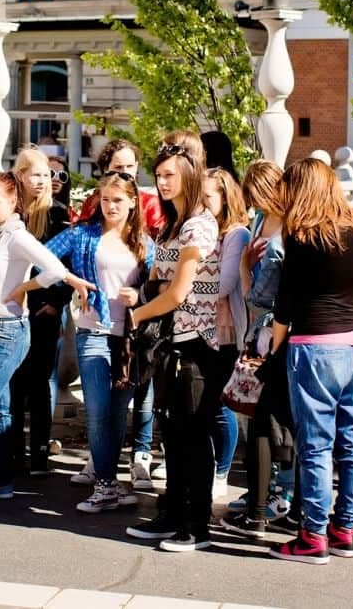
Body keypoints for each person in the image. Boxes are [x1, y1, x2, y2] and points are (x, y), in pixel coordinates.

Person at [0, 173, 91, 515]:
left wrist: (22, 290)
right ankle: (1, 480)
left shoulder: (17, 235)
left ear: (13, 202)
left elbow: (54, 269)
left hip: (7, 331)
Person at [265, 158, 353, 564]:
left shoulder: (302, 236)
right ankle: (344, 528)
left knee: (315, 445)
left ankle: (312, 535)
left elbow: (287, 302)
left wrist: (273, 346)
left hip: (314, 343)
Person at [124, 131, 226, 553]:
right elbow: (157, 281)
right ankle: (173, 514)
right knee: (173, 432)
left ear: (188, 173)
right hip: (170, 343)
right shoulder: (171, 226)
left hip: (197, 345)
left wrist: (138, 314)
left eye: (169, 174)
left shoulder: (200, 226)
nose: (162, 182)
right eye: (158, 175)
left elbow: (178, 292)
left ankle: (197, 526)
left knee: (193, 436)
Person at [36, 170, 154, 513]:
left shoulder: (146, 242)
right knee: (99, 411)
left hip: (130, 339)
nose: (110, 206)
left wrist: (141, 294)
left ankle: (111, 484)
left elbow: (162, 284)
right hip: (93, 331)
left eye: (118, 200)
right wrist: (74, 281)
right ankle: (105, 484)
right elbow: (43, 255)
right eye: (105, 200)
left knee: (118, 413)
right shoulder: (84, 234)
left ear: (133, 202)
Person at [221, 159, 297, 538]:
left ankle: (274, 493)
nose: (256, 202)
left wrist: (248, 268)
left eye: (258, 194)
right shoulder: (264, 222)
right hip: (263, 330)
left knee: (274, 421)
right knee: (262, 418)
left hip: (274, 329)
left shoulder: (284, 232)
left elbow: (257, 295)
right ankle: (265, 491)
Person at [8, 148, 71, 476]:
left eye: (46, 174)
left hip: (44, 311)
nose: (42, 180)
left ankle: (40, 453)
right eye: (35, 174)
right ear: (19, 175)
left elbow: (67, 265)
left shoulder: (59, 213)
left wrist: (56, 303)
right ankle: (14, 451)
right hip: (12, 309)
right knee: (15, 382)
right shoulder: (10, 213)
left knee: (41, 381)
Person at [204, 167, 250, 497]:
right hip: (202, 326)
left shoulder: (237, 234)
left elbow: (224, 284)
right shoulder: (205, 231)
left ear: (225, 197)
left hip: (227, 328)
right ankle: (212, 466)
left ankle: (222, 471)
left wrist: (185, 286)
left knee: (222, 403)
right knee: (207, 401)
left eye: (208, 197)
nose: (202, 205)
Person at [79, 139, 164, 238]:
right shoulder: (93, 202)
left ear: (136, 166)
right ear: (106, 168)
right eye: (118, 167)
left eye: (130, 166)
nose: (125, 172)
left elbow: (159, 244)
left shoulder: (151, 203)